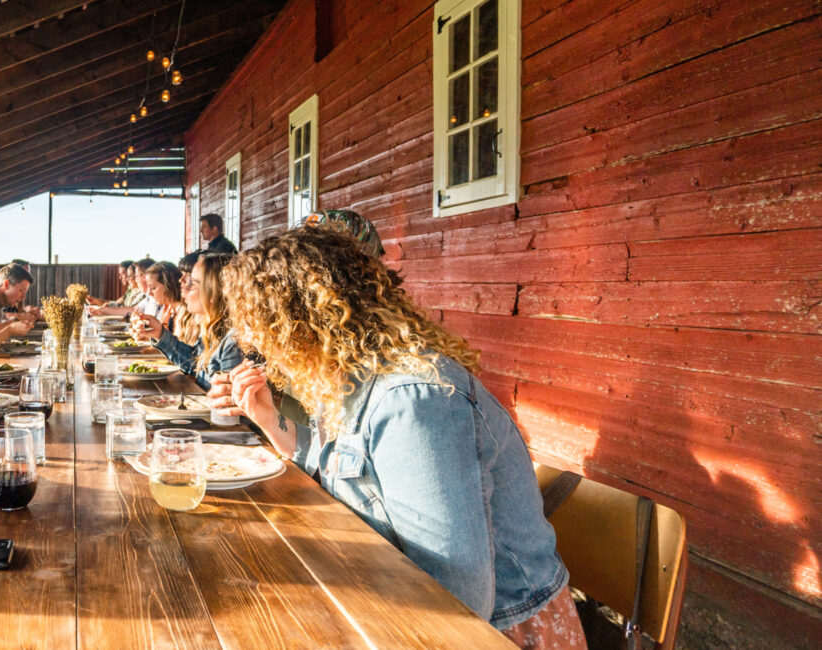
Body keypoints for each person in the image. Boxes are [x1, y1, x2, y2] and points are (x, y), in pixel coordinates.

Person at [208, 226, 584, 648]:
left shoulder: (413, 402)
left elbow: (456, 602)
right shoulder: (349, 379)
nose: (252, 341)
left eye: (259, 323)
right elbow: (335, 468)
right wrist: (267, 417)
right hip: (401, 607)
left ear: (301, 319)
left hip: (494, 634)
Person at [134, 252, 241, 390]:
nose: (184, 286)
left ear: (213, 293)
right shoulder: (212, 329)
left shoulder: (233, 343)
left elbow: (228, 406)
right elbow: (194, 363)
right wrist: (160, 334)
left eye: (193, 283)